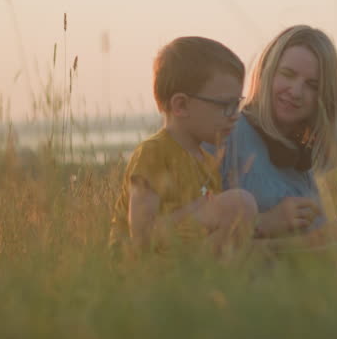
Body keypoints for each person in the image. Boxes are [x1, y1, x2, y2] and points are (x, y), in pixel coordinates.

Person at [110, 36, 257, 254]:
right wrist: (203, 209)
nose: (235, 116)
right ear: (181, 105)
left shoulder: (207, 161)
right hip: (140, 273)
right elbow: (141, 237)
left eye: (237, 105)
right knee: (240, 203)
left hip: (183, 267)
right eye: (226, 105)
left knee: (241, 207)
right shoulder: (153, 153)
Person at [220, 25, 337, 238]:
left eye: (312, 85)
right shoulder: (225, 135)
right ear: (266, 72)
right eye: (288, 75)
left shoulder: (304, 155)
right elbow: (189, 244)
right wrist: (264, 223)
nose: (296, 92)